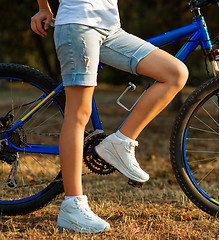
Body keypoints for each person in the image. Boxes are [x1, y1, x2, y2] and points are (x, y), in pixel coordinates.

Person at [31, 0, 188, 233]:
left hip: (110, 28)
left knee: (175, 73)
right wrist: (44, 7)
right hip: (78, 23)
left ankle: (119, 143)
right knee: (78, 113)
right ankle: (72, 206)